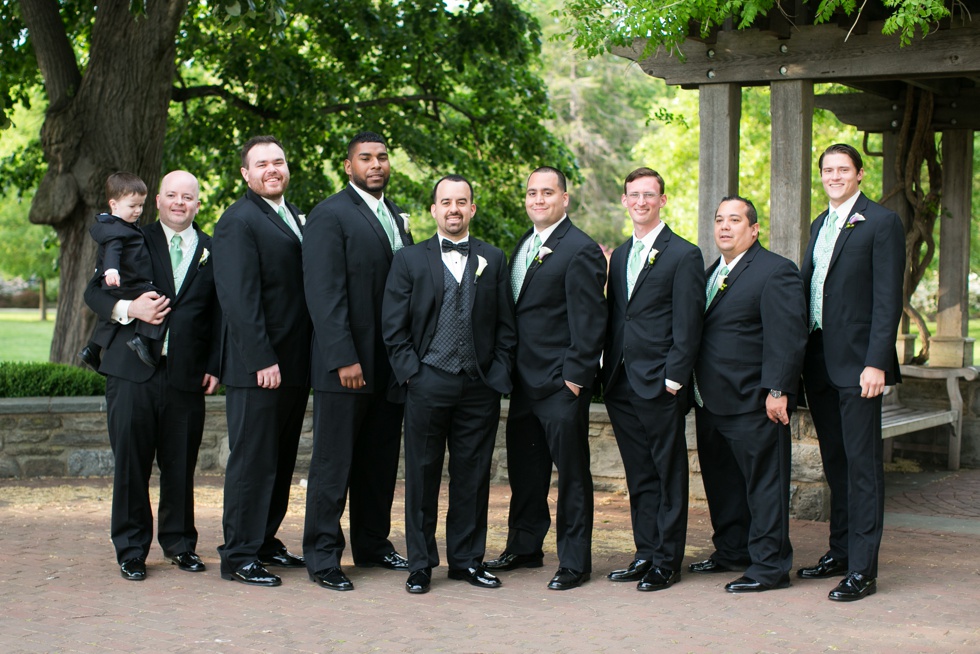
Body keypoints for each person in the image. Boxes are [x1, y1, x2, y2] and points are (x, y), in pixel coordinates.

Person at [381, 175, 516, 594]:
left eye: (462, 202)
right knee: (421, 476)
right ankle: (420, 563)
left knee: (472, 477)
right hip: (427, 381)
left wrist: (497, 376)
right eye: (445, 202)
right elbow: (393, 327)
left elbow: (506, 327)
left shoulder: (493, 258)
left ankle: (467, 560)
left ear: (472, 209)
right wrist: (413, 375)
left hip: (478, 386)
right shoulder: (408, 259)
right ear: (434, 210)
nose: (454, 209)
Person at [83, 170, 220, 581]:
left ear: (198, 204)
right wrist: (131, 310)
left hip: (187, 374)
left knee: (180, 465)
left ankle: (180, 544)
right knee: (131, 464)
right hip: (131, 370)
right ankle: (131, 549)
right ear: (158, 200)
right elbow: (95, 292)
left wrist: (215, 364)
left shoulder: (214, 249)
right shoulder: (130, 237)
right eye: (172, 195)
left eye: (189, 197)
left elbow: (220, 314)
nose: (180, 202)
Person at [484, 166, 606, 591]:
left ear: (565, 199)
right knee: (526, 471)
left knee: (571, 475)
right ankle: (524, 546)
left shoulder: (580, 248)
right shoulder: (525, 244)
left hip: (559, 383)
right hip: (522, 383)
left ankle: (574, 561)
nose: (539, 199)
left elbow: (591, 321)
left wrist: (575, 377)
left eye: (547, 192)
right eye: (532, 192)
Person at [301, 131, 412, 592]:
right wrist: (343, 356)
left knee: (379, 460)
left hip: (389, 365)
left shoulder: (394, 217)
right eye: (366, 158)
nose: (376, 165)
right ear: (348, 167)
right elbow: (324, 294)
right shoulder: (330, 215)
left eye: (383, 157)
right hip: (346, 365)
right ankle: (324, 556)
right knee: (334, 462)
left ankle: (372, 543)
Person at [797, 143, 905, 602]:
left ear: (860, 174)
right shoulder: (820, 224)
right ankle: (839, 552)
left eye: (843, 169)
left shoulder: (881, 223)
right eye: (828, 169)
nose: (834, 176)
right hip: (819, 360)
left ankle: (863, 569)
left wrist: (877, 361)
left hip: (861, 365)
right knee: (835, 462)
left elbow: (887, 299)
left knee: (862, 467)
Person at [689, 195, 807, 593]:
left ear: (753, 229)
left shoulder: (776, 271)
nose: (724, 226)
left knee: (764, 487)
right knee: (723, 484)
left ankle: (769, 567)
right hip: (710, 401)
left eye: (735, 220)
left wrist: (778, 389)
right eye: (719, 219)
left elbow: (788, 337)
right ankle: (732, 551)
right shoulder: (709, 273)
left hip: (755, 402)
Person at [213, 136, 312, 587]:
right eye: (262, 164)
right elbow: (238, 297)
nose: (272, 169)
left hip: (294, 364)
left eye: (279, 161)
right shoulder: (238, 221)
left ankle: (265, 539)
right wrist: (261, 359)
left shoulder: (291, 216)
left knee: (280, 458)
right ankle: (238, 554)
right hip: (260, 368)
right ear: (245, 175)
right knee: (253, 461)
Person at [601, 167, 704, 592]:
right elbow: (618, 316)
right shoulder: (622, 253)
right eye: (634, 195)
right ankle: (645, 552)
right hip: (621, 382)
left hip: (660, 383)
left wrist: (675, 379)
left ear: (663, 200)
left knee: (668, 473)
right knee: (638, 473)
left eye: (649, 195)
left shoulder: (684, 253)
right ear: (624, 201)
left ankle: (667, 560)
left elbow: (689, 323)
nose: (641, 201)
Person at [80, 172, 166, 370]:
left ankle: (92, 349)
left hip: (120, 283)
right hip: (125, 282)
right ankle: (142, 338)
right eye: (133, 206)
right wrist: (111, 271)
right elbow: (113, 250)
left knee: (108, 320)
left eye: (141, 205)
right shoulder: (117, 230)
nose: (138, 211)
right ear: (114, 205)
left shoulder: (121, 225)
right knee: (160, 299)